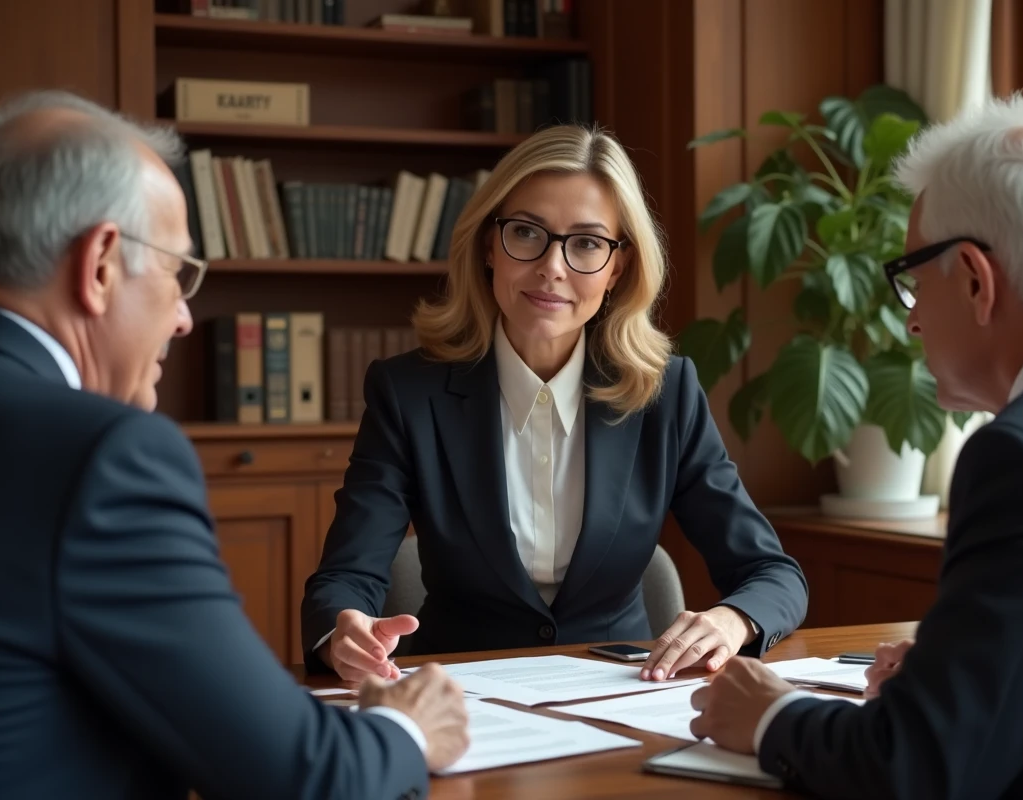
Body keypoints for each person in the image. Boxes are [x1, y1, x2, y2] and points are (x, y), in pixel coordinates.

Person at [688, 94, 1023, 798]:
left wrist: (772, 714)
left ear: (976, 279)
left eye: (914, 283)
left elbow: (917, 771)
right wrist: (968, 668)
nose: (914, 319)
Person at [0, 90, 468, 799]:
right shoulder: (103, 458)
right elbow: (303, 776)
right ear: (101, 265)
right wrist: (409, 727)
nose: (183, 319)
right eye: (178, 272)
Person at [301, 124, 808, 684]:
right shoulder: (407, 395)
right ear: (490, 245)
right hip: (463, 696)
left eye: (587, 243)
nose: (553, 266)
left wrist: (733, 620)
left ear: (618, 267)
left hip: (619, 694)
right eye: (527, 233)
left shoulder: (666, 393)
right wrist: (343, 633)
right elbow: (345, 578)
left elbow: (771, 573)